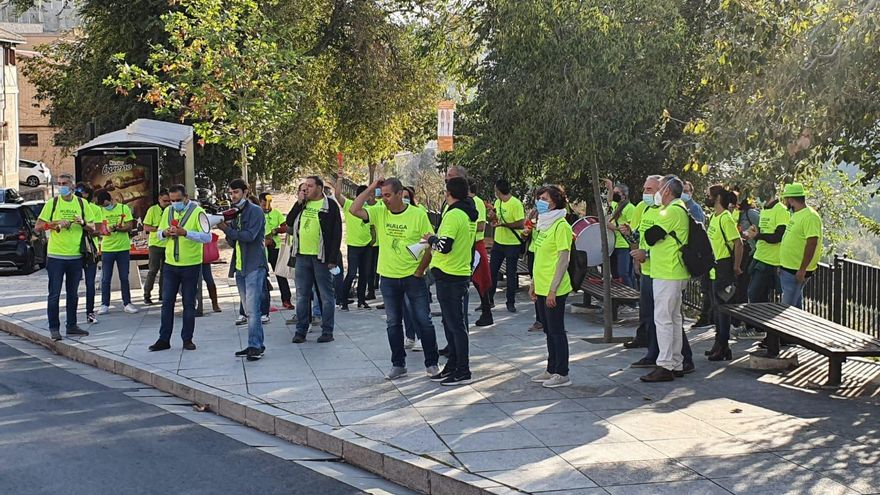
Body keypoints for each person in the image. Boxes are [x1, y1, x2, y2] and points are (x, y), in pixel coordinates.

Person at [350, 177, 440, 380]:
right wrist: (373, 187)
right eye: (383, 195)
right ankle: (398, 364)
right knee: (393, 323)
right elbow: (354, 210)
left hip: (413, 277)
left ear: (401, 194)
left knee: (423, 320)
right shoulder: (379, 212)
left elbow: (429, 244)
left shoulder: (418, 214)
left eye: (389, 195)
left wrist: (420, 271)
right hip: (388, 277)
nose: (385, 200)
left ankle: (432, 363)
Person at [425, 177, 478, 385]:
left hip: (451, 276)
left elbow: (444, 246)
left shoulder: (455, 214)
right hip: (452, 274)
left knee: (456, 325)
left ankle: (463, 369)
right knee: (450, 323)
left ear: (449, 194)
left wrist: (430, 239)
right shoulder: (462, 212)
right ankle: (453, 364)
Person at [639, 175, 690, 382]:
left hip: (667, 272)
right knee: (674, 319)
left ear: (667, 190)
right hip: (672, 271)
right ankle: (676, 362)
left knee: (663, 319)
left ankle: (665, 364)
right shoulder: (678, 209)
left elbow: (650, 236)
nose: (656, 192)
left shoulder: (670, 212)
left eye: (658, 188)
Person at [149, 185, 211, 351]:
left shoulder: (198, 212)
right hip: (170, 264)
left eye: (178, 200)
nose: (174, 203)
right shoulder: (168, 212)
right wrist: (165, 233)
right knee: (167, 302)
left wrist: (186, 233)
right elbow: (158, 234)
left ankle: (187, 339)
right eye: (172, 200)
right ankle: (163, 339)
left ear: (186, 197)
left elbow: (207, 237)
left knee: (189, 303)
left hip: (191, 264)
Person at [35, 173, 97, 341]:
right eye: (60, 183)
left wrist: (82, 223)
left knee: (73, 293)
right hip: (56, 256)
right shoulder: (52, 203)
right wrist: (55, 224)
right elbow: (38, 226)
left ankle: (72, 325)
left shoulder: (82, 204)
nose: (62, 186)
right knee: (54, 293)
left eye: (65, 183)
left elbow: (93, 227)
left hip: (76, 256)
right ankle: (54, 328)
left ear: (72, 186)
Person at [286, 176, 343, 344]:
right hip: (302, 256)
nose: (306, 189)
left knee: (326, 295)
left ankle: (327, 331)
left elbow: (336, 233)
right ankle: (301, 330)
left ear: (319, 187)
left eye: (310, 186)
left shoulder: (329, 205)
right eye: (304, 187)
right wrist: (298, 203)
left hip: (322, 257)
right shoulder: (302, 205)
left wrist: (332, 259)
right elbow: (289, 223)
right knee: (302, 295)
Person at [528, 185, 574, 388]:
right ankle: (551, 368)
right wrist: (534, 284)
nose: (540, 201)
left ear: (554, 201)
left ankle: (562, 372)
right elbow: (539, 256)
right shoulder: (543, 225)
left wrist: (553, 289)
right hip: (541, 285)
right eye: (539, 198)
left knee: (556, 330)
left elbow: (563, 259)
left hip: (555, 288)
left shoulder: (561, 225)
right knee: (548, 330)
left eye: (544, 198)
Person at [218, 179, 268, 361]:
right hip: (241, 266)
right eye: (231, 193)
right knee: (248, 310)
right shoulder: (235, 214)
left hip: (254, 264)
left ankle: (255, 346)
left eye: (236, 192)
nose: (233, 196)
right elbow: (233, 241)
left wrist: (227, 229)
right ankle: (255, 344)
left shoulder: (255, 211)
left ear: (246, 192)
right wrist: (226, 229)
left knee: (253, 310)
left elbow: (249, 236)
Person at [704, 185, 743, 361]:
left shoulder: (725, 218)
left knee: (723, 309)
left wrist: (736, 266)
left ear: (717, 197)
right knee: (716, 308)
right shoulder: (713, 217)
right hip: (714, 266)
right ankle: (718, 344)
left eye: (709, 196)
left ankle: (723, 345)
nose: (707, 198)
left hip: (724, 266)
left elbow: (738, 243)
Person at [743, 190, 788, 329]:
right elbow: (763, 232)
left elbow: (778, 236)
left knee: (755, 293)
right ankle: (760, 327)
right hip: (760, 256)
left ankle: (760, 328)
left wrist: (757, 236)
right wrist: (753, 232)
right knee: (757, 294)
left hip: (771, 261)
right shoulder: (764, 210)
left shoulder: (781, 210)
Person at [778, 183, 823, 309]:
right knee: (795, 306)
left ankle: (784, 329)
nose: (785, 202)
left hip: (796, 270)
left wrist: (803, 269)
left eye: (786, 199)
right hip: (788, 268)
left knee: (786, 310)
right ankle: (796, 328)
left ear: (791, 200)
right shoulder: (797, 214)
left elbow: (812, 243)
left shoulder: (810, 217)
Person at [335, 172, 375, 311]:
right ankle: (343, 300)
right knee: (352, 273)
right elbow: (337, 195)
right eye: (367, 194)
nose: (369, 197)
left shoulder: (370, 209)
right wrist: (340, 179)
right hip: (353, 246)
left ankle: (361, 301)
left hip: (367, 245)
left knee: (365, 274)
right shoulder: (349, 205)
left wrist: (373, 240)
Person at [95, 190, 139, 315]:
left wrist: (119, 228)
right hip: (107, 248)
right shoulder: (100, 211)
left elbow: (129, 226)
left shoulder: (123, 208)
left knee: (124, 277)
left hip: (123, 248)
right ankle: (104, 304)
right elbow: (98, 229)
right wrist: (105, 231)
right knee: (105, 278)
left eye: (104, 204)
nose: (104, 206)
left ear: (109, 200)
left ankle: (127, 303)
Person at [490, 179, 525, 313]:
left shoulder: (515, 204)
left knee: (511, 274)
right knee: (492, 271)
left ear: (498, 191)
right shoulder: (498, 202)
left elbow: (521, 223)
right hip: (498, 242)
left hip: (512, 244)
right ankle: (489, 300)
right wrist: (492, 217)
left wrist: (503, 225)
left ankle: (511, 302)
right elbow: (496, 219)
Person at [74, 183, 102, 324]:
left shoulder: (95, 209)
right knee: (73, 284)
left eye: (83, 192)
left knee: (90, 283)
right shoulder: (71, 207)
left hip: (90, 249)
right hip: (73, 249)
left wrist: (85, 225)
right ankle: (71, 315)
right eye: (78, 192)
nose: (80, 195)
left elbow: (98, 230)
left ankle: (90, 312)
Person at [261, 192, 292, 309]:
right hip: (261, 247)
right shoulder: (257, 214)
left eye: (268, 204)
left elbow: (285, 227)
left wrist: (276, 230)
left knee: (280, 274)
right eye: (264, 205)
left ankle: (286, 299)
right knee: (262, 275)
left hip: (275, 247)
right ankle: (265, 303)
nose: (266, 207)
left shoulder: (276, 213)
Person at [470, 179, 494, 327]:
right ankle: (485, 309)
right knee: (476, 279)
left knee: (480, 279)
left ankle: (487, 310)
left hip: (476, 244)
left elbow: (480, 226)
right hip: (469, 245)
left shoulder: (476, 202)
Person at [605, 179, 636, 289]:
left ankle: (632, 300)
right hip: (614, 244)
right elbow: (609, 200)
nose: (614, 195)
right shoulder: (616, 205)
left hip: (624, 245)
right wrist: (609, 188)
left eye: (617, 193)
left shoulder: (629, 208)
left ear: (624, 195)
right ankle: (621, 298)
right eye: (614, 193)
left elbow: (632, 228)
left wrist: (615, 228)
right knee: (616, 274)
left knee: (624, 273)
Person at [143, 189, 171, 306]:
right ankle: (147, 294)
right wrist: (159, 229)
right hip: (155, 244)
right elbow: (146, 227)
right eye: (165, 201)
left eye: (169, 201)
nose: (167, 203)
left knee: (166, 272)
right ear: (159, 199)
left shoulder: (171, 210)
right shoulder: (152, 210)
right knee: (153, 270)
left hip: (168, 244)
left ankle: (162, 294)